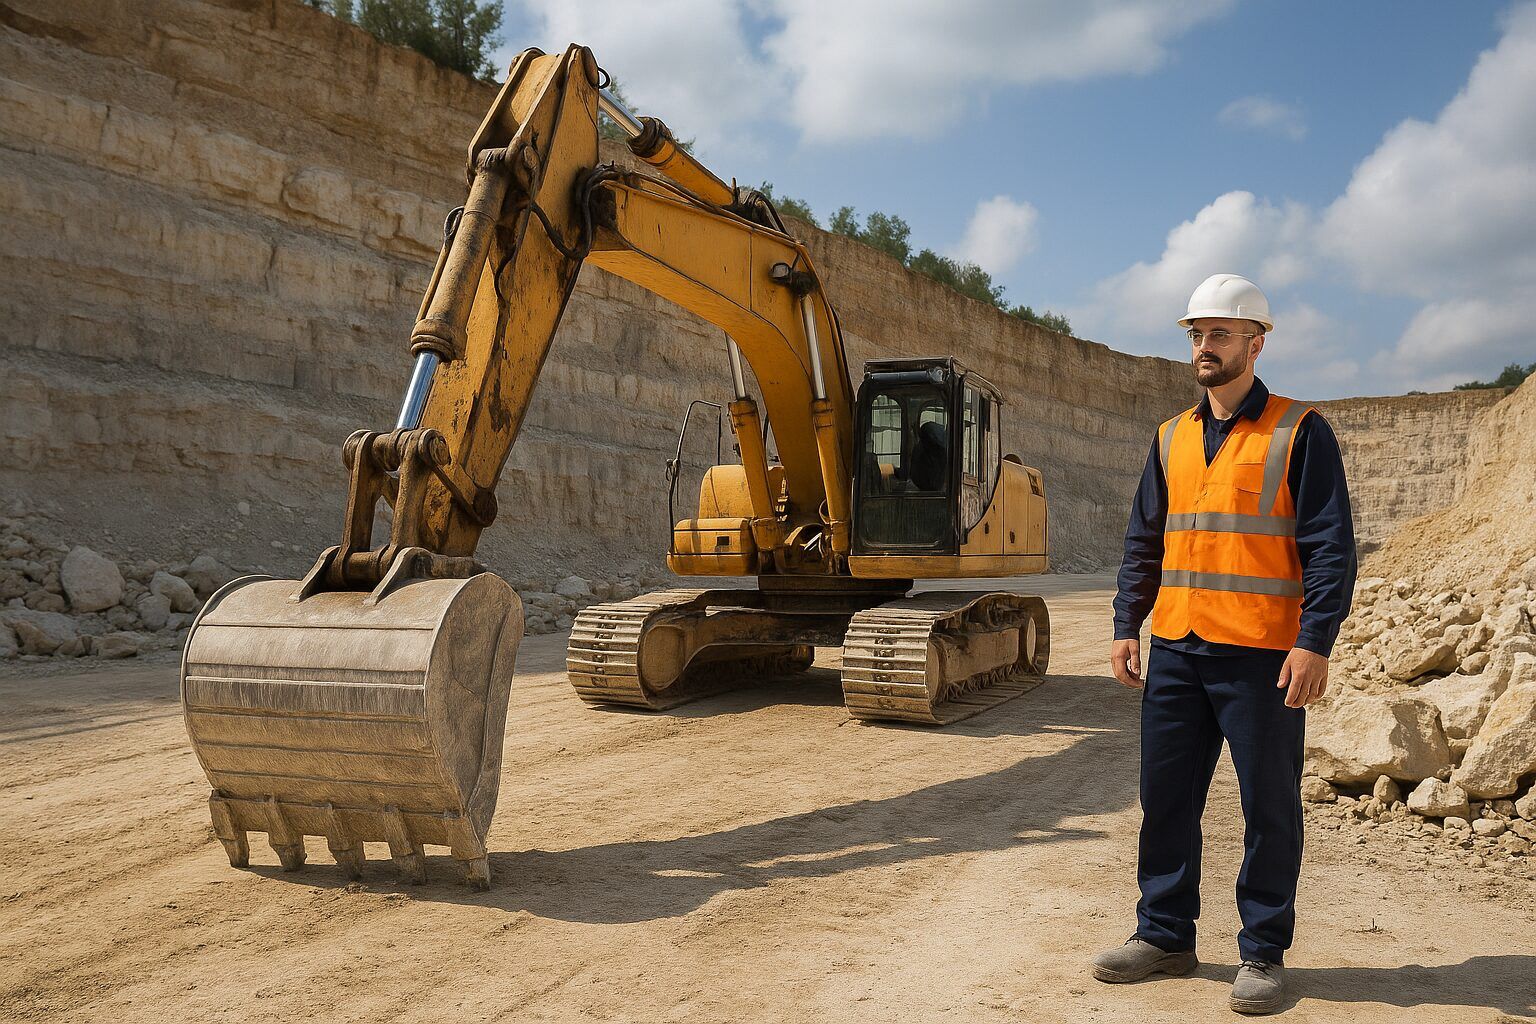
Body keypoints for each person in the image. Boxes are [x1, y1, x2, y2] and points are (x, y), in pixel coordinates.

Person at [1092, 273, 1357, 1015]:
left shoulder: (1300, 431)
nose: (1204, 347)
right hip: (1177, 647)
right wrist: (1125, 623)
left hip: (1263, 656)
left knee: (1268, 808)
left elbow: (1330, 547)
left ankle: (1262, 950)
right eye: (1196, 335)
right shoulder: (1170, 436)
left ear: (1255, 342)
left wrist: (1315, 641)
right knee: (1165, 801)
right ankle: (1165, 935)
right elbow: (1145, 540)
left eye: (1220, 334)